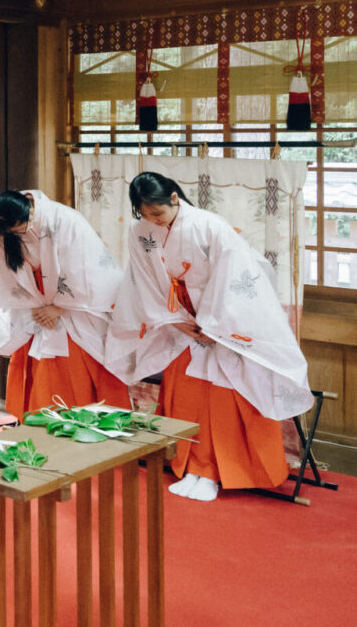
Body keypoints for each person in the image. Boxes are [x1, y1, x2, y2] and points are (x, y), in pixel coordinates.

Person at [108, 172, 313, 502]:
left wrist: (215, 325)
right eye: (145, 215)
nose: (152, 222)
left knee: (225, 396)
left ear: (175, 198)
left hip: (227, 325)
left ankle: (218, 472)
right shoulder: (142, 231)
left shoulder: (209, 226)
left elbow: (237, 278)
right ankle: (190, 466)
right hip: (183, 323)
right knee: (183, 390)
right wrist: (173, 321)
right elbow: (143, 280)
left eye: (157, 214)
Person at [0, 189, 131, 420]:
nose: (19, 234)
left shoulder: (65, 220)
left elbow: (89, 272)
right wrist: (32, 303)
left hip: (76, 308)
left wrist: (58, 307)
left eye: (22, 228)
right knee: (36, 371)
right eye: (13, 233)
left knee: (78, 372)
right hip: (34, 306)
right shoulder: (0, 227)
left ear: (31, 210)